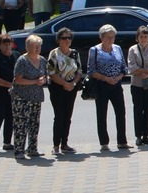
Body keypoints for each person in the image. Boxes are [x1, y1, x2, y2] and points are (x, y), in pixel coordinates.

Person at [86, 24, 129, 152]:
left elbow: (124, 68)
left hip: (116, 85)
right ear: (102, 37)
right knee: (102, 113)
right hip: (102, 85)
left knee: (121, 112)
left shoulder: (117, 48)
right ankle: (104, 142)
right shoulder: (95, 50)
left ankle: (122, 141)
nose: (111, 40)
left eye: (113, 37)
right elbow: (91, 70)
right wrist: (106, 78)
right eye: (108, 37)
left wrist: (119, 76)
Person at [44, 27, 82, 156]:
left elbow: (79, 71)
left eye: (69, 38)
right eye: (64, 38)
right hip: (57, 88)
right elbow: (51, 73)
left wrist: (73, 84)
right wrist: (65, 84)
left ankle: (64, 144)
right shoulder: (54, 53)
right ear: (59, 40)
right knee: (59, 116)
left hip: (71, 88)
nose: (67, 40)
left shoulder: (75, 53)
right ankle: (56, 145)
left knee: (67, 117)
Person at [10, 33, 47, 160]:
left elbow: (44, 75)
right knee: (21, 124)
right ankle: (19, 150)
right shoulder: (22, 60)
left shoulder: (42, 59)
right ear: (28, 47)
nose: (38, 49)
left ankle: (32, 148)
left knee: (34, 123)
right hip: (21, 96)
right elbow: (18, 80)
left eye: (39, 46)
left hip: (36, 96)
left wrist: (43, 80)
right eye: (35, 46)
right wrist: (34, 82)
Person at [126, 25, 148, 147]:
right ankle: (138, 136)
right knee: (138, 109)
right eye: (141, 37)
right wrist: (146, 71)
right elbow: (132, 68)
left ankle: (146, 135)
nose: (143, 39)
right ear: (137, 38)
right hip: (137, 84)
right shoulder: (133, 49)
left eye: (145, 37)